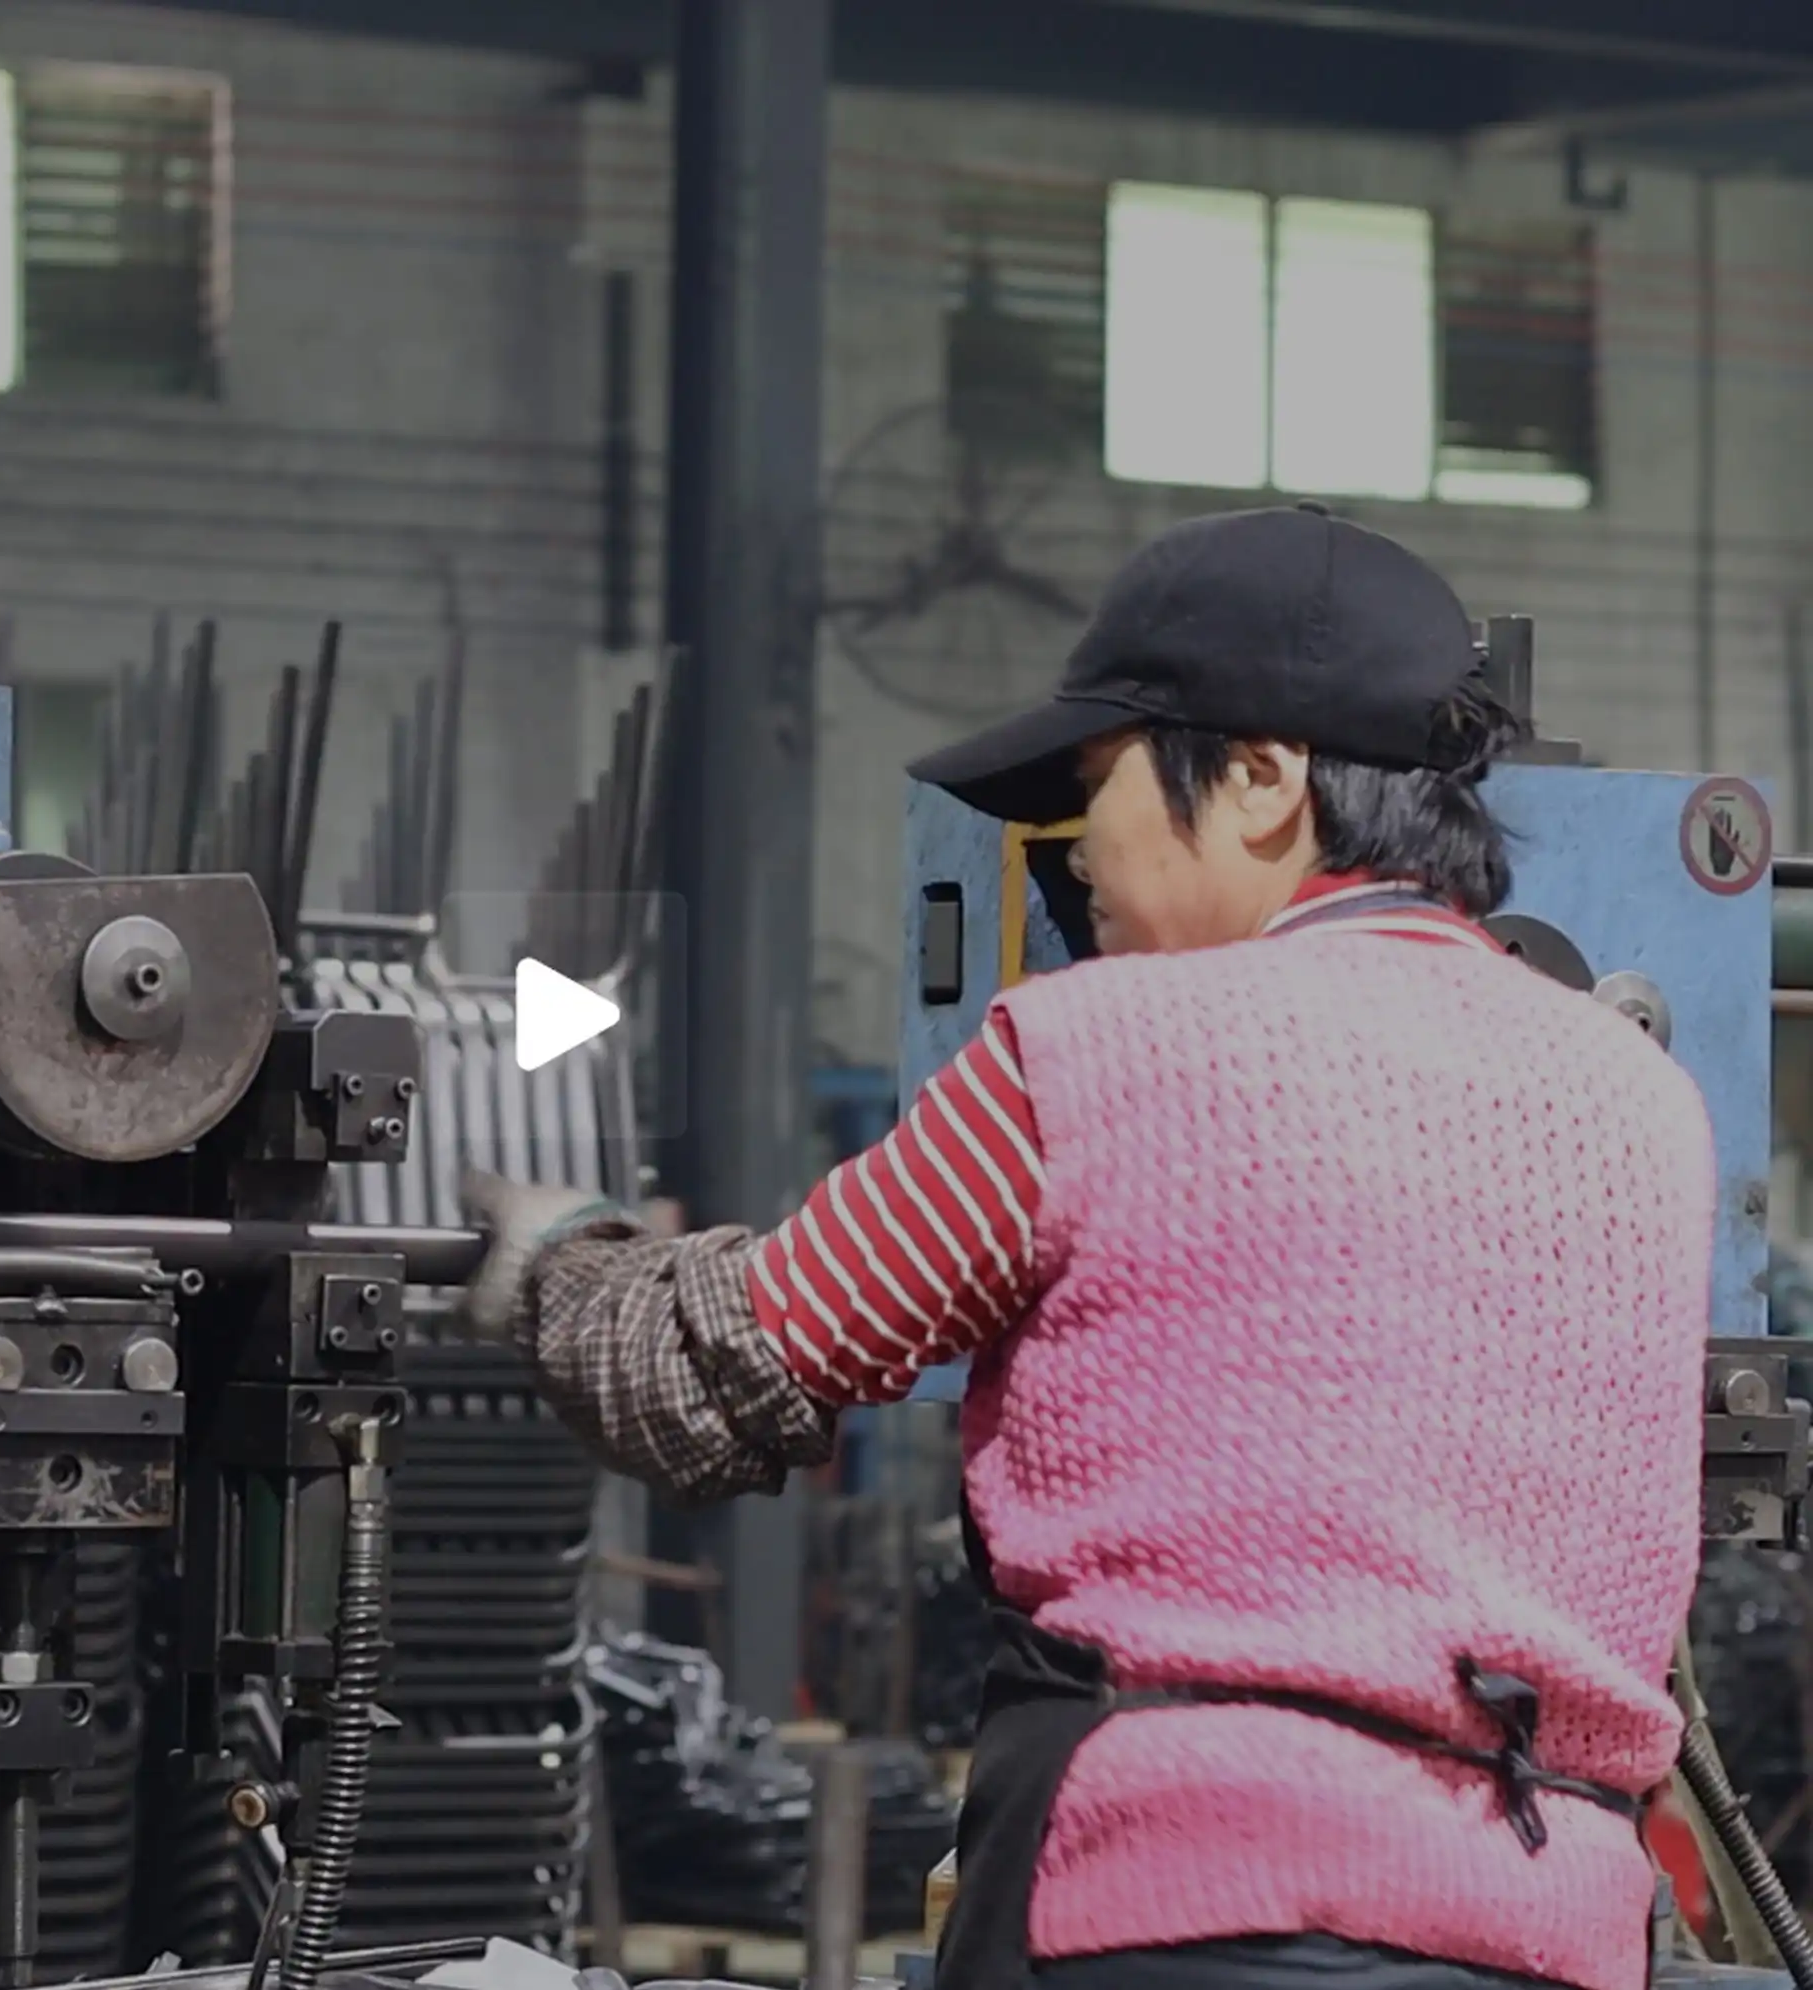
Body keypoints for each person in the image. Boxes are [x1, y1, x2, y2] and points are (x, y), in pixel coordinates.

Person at [461, 504, 1712, 1990]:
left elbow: (706, 1369)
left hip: (1182, 1914)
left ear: (1261, 779)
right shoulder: (1645, 1100)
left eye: (1095, 785)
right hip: (1558, 1933)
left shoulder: (1095, 1050)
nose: (1078, 856)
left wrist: (554, 1253)